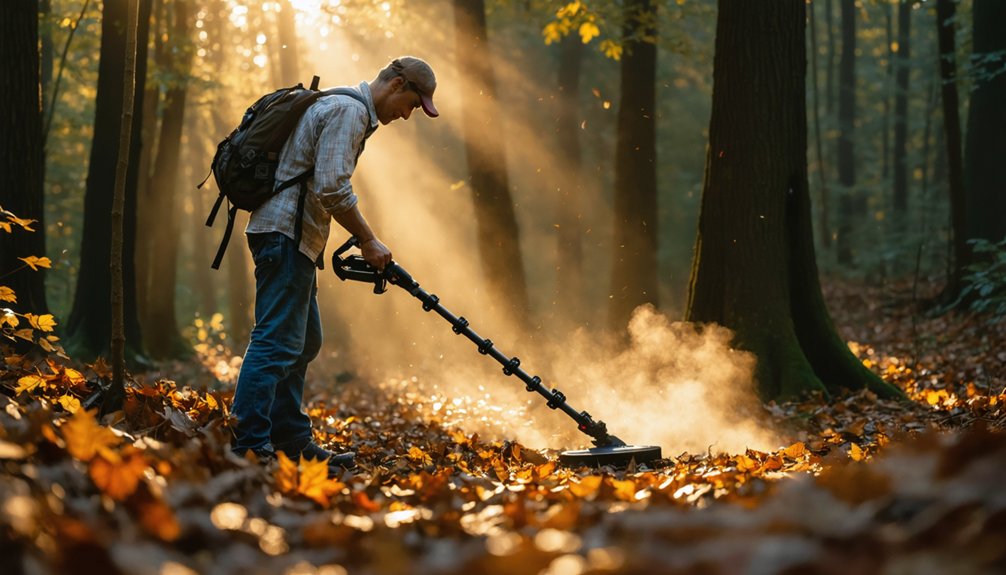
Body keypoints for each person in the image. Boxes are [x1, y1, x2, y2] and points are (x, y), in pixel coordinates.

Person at [230, 57, 439, 474]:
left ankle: (289, 439)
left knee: (304, 340)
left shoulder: (343, 107)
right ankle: (248, 447)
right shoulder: (349, 111)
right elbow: (332, 185)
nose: (408, 115)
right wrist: (367, 239)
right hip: (284, 236)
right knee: (275, 341)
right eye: (413, 104)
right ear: (397, 84)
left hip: (293, 239)